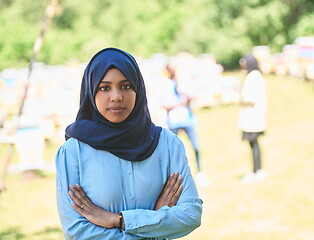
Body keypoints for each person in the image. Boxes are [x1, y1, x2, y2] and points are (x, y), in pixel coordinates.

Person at [55, 47, 202, 239]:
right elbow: (78, 232)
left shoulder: (166, 144)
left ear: (138, 89)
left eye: (125, 86)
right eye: (104, 88)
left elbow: (190, 215)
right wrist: (154, 225)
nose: (116, 96)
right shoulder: (73, 152)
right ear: (91, 92)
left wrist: (120, 220)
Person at [160, 63, 209, 187]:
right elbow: (164, 104)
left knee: (196, 147)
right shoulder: (164, 84)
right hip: (173, 121)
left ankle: (200, 173)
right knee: (171, 151)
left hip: (187, 119)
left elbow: (192, 97)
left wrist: (182, 89)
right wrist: (178, 104)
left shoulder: (183, 82)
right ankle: (171, 178)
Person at [237, 54, 267, 183]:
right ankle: (256, 169)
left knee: (254, 144)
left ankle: (257, 170)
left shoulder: (253, 77)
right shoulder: (254, 76)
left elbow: (251, 98)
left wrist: (240, 97)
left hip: (253, 117)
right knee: (253, 145)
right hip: (252, 116)